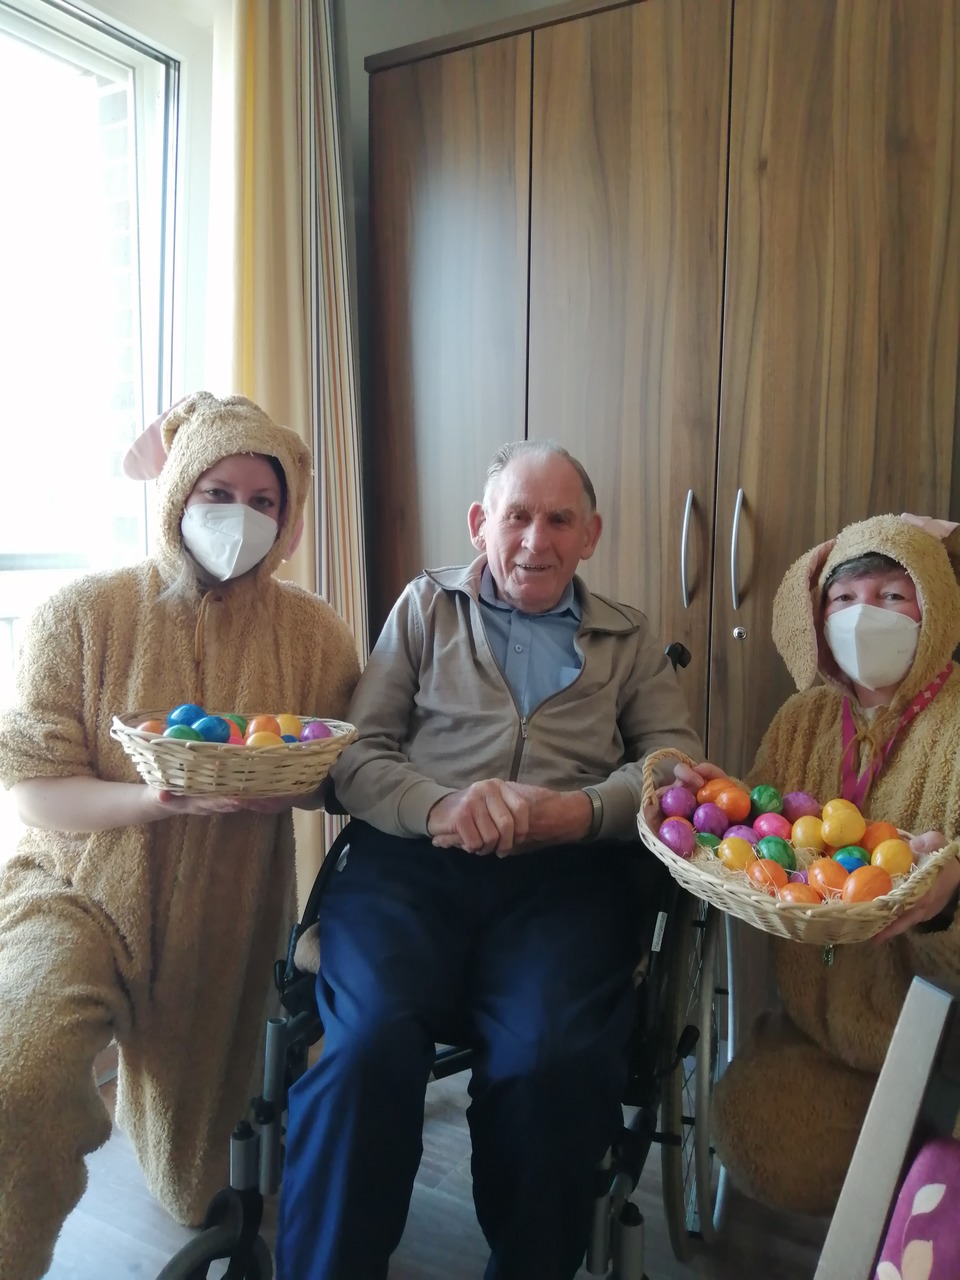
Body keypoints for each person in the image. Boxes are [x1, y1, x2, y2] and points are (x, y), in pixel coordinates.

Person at [275, 439, 703, 1280]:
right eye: (516, 516)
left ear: (591, 535)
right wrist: (442, 805)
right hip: (411, 865)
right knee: (366, 1048)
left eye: (558, 520)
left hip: (566, 883)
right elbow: (358, 758)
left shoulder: (629, 638)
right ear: (481, 525)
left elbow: (674, 771)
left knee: (549, 1061)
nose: (535, 541)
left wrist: (575, 813)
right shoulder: (425, 608)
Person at [0, 391, 360, 1279]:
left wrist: (295, 783)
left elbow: (346, 765)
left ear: (287, 519)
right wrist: (152, 803)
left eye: (263, 501)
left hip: (227, 916)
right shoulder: (81, 617)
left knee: (206, 1185)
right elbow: (36, 791)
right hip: (75, 892)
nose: (239, 516)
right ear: (176, 497)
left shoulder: (312, 634)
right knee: (23, 1078)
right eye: (216, 491)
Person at [688, 513, 960, 1215]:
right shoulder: (802, 719)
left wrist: (947, 901)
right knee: (756, 1127)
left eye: (893, 597)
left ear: (934, 606)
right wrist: (726, 811)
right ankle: (907, 1185)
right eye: (844, 599)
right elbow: (767, 840)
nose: (866, 616)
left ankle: (920, 1180)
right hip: (821, 1034)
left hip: (939, 1040)